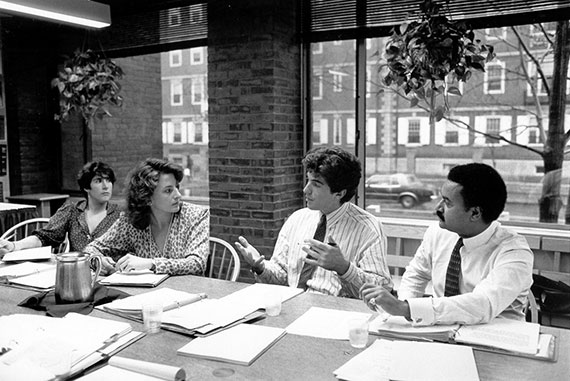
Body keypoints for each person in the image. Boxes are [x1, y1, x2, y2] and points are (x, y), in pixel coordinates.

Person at [360, 163, 534, 325]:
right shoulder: (438, 232)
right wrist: (403, 310)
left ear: (474, 213)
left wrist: (406, 309)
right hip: (440, 330)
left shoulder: (514, 251)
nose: (438, 208)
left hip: (496, 340)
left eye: (447, 202)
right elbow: (417, 274)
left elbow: (483, 303)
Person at [235, 146, 392, 298]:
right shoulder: (297, 219)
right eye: (307, 180)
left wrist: (343, 268)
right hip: (293, 308)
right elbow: (282, 278)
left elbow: (381, 290)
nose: (305, 189)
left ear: (340, 193)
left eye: (316, 184)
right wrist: (260, 267)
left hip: (336, 315)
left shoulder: (368, 228)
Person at [83, 158, 209, 276]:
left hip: (188, 294)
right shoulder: (129, 221)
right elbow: (91, 248)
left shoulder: (196, 215)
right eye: (168, 190)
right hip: (145, 295)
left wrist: (151, 264)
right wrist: (98, 260)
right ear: (147, 198)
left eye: (177, 187)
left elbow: (197, 264)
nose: (178, 195)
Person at [0, 161, 120, 257]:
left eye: (108, 180)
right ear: (86, 187)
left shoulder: (120, 216)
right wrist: (15, 245)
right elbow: (44, 236)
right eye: (98, 181)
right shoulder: (72, 211)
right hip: (74, 273)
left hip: (108, 276)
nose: (106, 186)